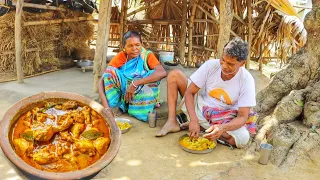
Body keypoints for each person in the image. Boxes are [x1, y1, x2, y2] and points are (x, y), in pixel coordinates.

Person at [156, 37, 257, 148]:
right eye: (223, 60)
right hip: (201, 109)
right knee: (174, 75)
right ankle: (173, 122)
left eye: (230, 64)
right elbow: (189, 93)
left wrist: (222, 128)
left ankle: (204, 128)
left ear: (242, 63)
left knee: (242, 138)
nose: (224, 66)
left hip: (226, 117)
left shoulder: (246, 80)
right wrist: (194, 120)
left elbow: (242, 117)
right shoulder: (211, 66)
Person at [98, 31, 167, 121]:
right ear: (124, 47)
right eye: (130, 46)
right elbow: (103, 79)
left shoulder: (147, 55)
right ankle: (118, 106)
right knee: (110, 72)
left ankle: (137, 109)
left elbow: (162, 72)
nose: (134, 48)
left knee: (153, 75)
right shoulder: (121, 56)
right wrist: (106, 108)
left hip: (140, 91)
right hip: (124, 93)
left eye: (137, 45)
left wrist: (136, 83)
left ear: (141, 45)